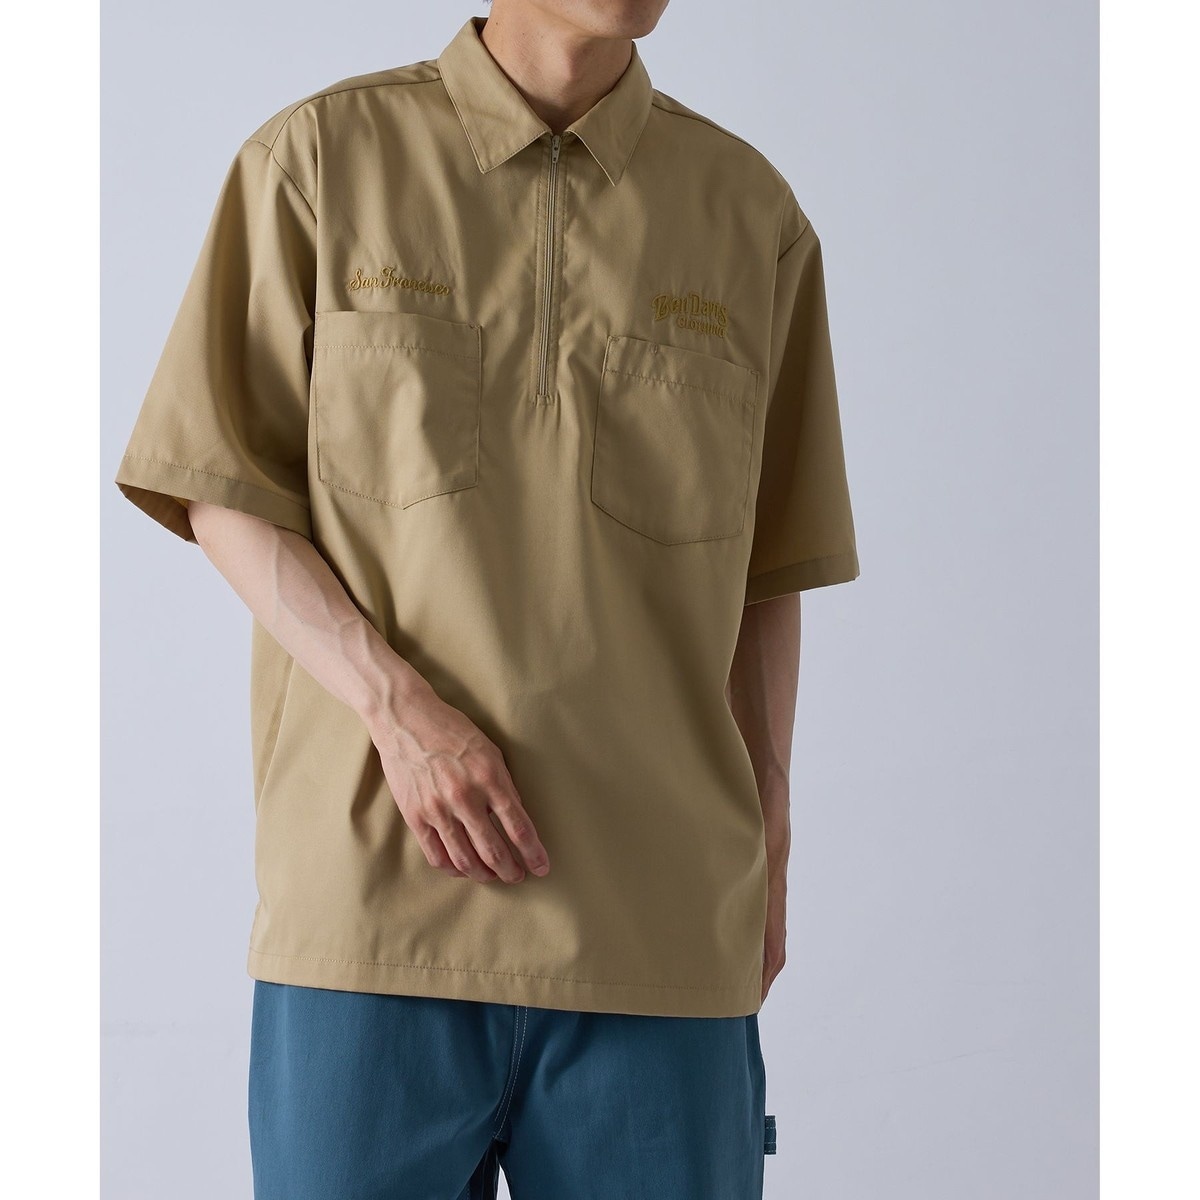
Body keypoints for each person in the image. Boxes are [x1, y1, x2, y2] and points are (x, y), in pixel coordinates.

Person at [113, 1, 860, 1195]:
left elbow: (770, 567)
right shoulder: (320, 160)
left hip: (659, 925)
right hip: (371, 923)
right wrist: (397, 711)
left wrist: (771, 830)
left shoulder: (748, 214)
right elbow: (220, 487)